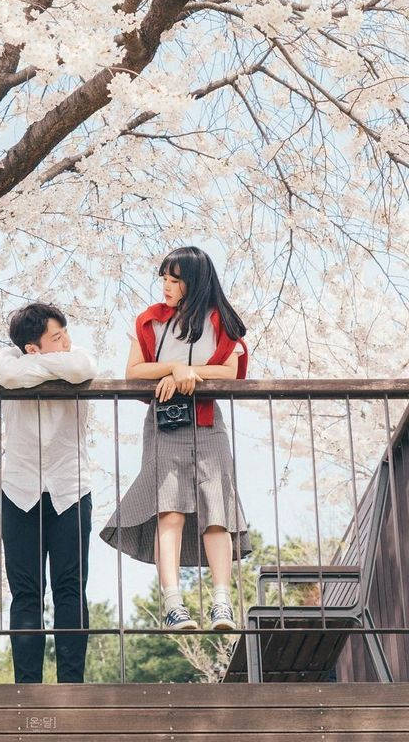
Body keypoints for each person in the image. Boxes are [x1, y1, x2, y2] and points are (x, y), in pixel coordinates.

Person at [100, 246, 251, 631]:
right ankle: (173, 605)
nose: (166, 286)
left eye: (175, 279)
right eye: (163, 278)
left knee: (216, 509)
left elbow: (231, 370)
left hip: (207, 423)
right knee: (170, 511)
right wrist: (174, 368)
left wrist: (190, 374)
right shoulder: (150, 321)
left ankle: (221, 603)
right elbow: (133, 371)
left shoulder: (220, 320)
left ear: (194, 282)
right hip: (166, 423)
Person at [0, 303, 98, 683]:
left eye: (65, 333)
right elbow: (2, 372)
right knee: (26, 593)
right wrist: (48, 368)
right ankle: (27, 687)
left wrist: (33, 368)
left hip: (70, 488)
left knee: (70, 589)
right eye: (56, 337)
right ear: (31, 347)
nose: (67, 342)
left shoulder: (77, 356)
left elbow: (81, 369)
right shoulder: (6, 359)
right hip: (20, 490)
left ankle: (72, 685)